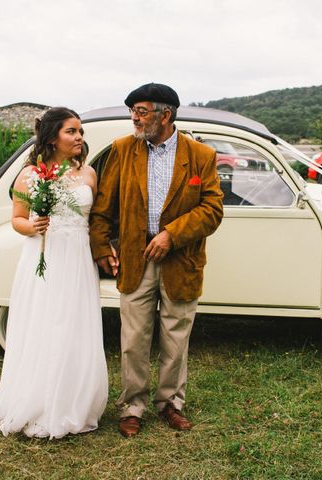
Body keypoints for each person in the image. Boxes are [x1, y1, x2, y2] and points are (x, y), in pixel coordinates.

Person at [89, 83, 224, 437]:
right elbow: (103, 208)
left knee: (176, 335)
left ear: (166, 114)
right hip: (135, 258)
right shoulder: (122, 150)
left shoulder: (201, 156)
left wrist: (171, 235)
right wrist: (101, 247)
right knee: (133, 337)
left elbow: (212, 210)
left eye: (142, 111)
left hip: (181, 259)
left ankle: (171, 404)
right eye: (132, 111)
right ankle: (132, 406)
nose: (134, 117)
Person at [0, 107, 108, 439]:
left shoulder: (89, 174)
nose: (79, 137)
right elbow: (17, 219)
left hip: (78, 258)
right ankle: (40, 400)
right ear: (53, 137)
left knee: (75, 324)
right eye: (72, 131)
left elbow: (93, 220)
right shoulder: (30, 175)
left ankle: (75, 401)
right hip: (45, 256)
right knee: (46, 322)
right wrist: (32, 226)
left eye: (81, 131)